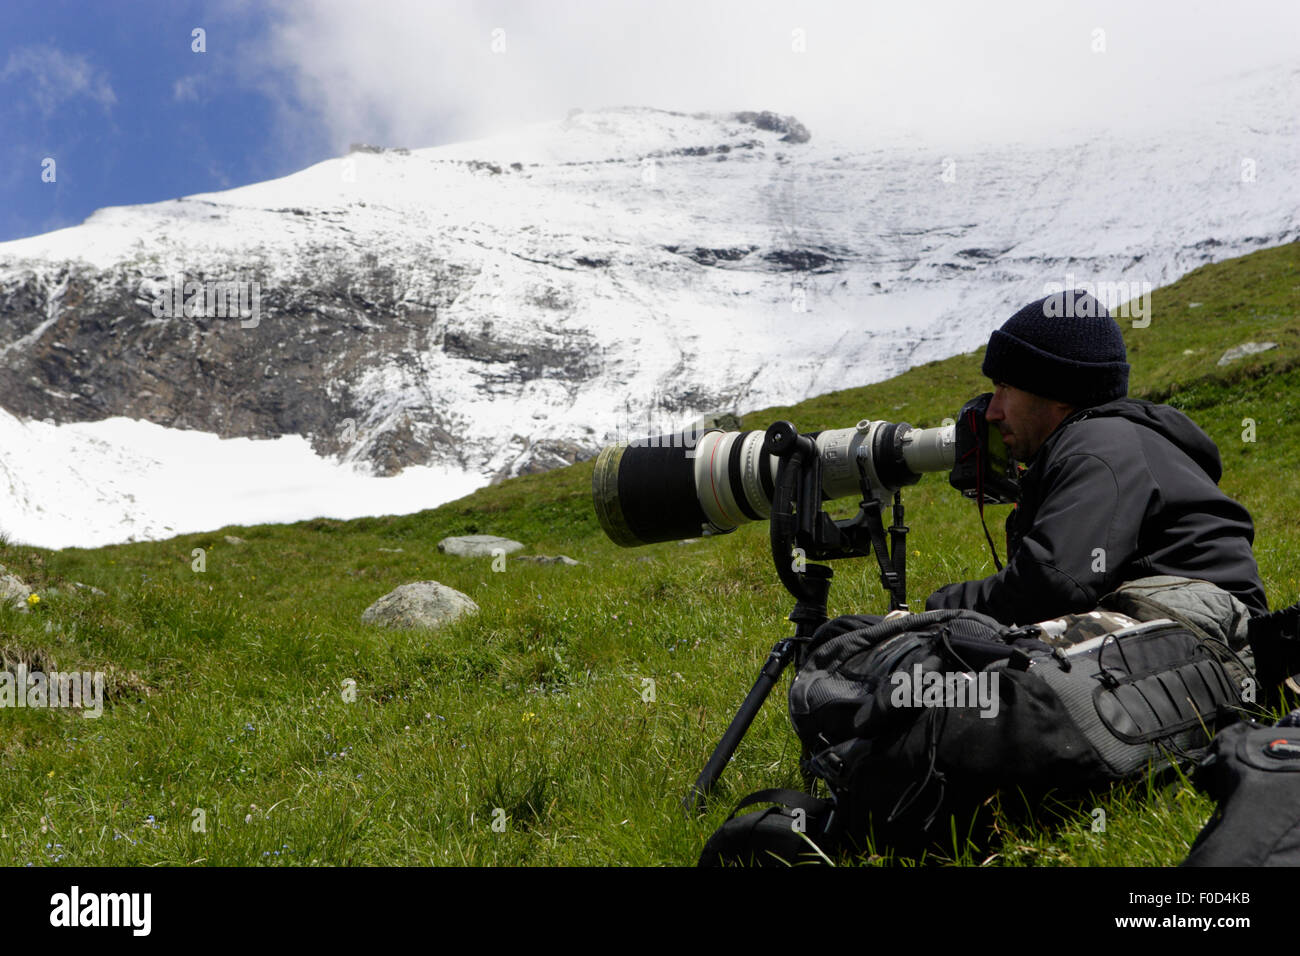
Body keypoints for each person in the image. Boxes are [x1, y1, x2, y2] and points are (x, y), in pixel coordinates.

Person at [924, 289, 1268, 625]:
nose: (992, 412)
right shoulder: (1108, 440)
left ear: (1058, 392)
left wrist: (935, 609)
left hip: (1211, 635)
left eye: (1005, 388)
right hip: (1199, 628)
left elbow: (1051, 584)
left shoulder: (1097, 447)